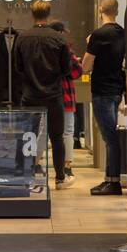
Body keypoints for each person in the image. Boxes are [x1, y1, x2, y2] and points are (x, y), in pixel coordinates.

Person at [14, 1, 74, 188]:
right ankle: (60, 178)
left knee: (28, 135)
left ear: (32, 15)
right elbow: (67, 69)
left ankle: (25, 176)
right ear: (48, 14)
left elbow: (18, 67)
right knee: (57, 137)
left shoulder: (22, 38)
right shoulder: (58, 38)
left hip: (30, 95)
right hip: (53, 95)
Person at [82, 0, 126, 195]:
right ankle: (110, 178)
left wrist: (89, 43)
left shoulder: (98, 35)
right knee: (111, 137)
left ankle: (113, 182)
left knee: (110, 138)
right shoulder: (122, 33)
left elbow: (85, 66)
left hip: (101, 91)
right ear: (116, 11)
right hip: (117, 90)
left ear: (101, 10)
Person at [51, 22, 82, 175]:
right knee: (68, 131)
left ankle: (35, 164)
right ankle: (67, 165)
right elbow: (78, 70)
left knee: (44, 131)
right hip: (66, 95)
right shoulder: (66, 49)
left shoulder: (46, 49)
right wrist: (67, 74)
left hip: (48, 94)